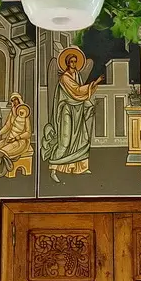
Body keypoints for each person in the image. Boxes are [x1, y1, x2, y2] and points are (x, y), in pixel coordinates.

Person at [42, 48, 104, 182]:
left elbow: (80, 95)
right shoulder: (65, 77)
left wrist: (89, 106)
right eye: (71, 62)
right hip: (66, 111)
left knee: (81, 139)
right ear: (67, 63)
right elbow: (77, 90)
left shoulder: (77, 75)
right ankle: (53, 169)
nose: (74, 64)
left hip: (78, 111)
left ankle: (79, 168)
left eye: (75, 61)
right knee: (65, 142)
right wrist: (96, 82)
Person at [0, 94, 32, 185]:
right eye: (12, 100)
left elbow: (28, 133)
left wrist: (17, 137)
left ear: (19, 100)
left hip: (20, 142)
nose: (14, 102)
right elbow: (7, 126)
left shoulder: (25, 114)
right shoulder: (12, 113)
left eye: (16, 100)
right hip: (9, 139)